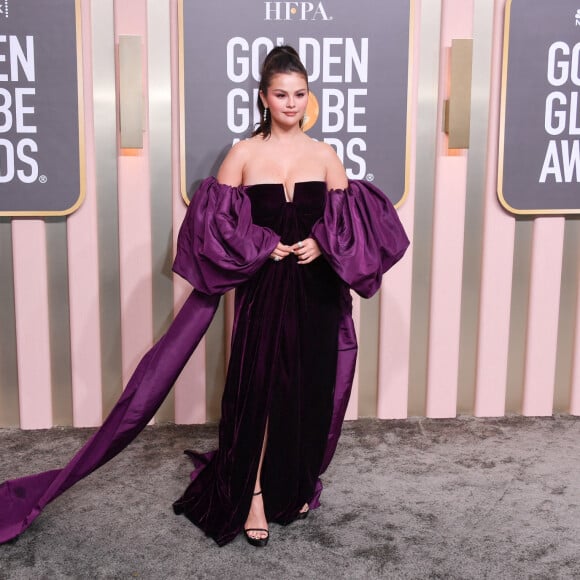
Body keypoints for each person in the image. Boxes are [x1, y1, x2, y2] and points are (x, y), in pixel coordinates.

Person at [0, 46, 409, 548]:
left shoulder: (325, 155)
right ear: (263, 97)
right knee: (257, 392)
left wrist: (322, 243)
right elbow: (210, 231)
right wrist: (262, 244)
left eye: (300, 94)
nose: (291, 103)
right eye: (281, 94)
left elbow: (351, 229)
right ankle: (253, 493)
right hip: (263, 294)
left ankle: (294, 484)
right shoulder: (242, 154)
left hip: (317, 294)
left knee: (307, 390)